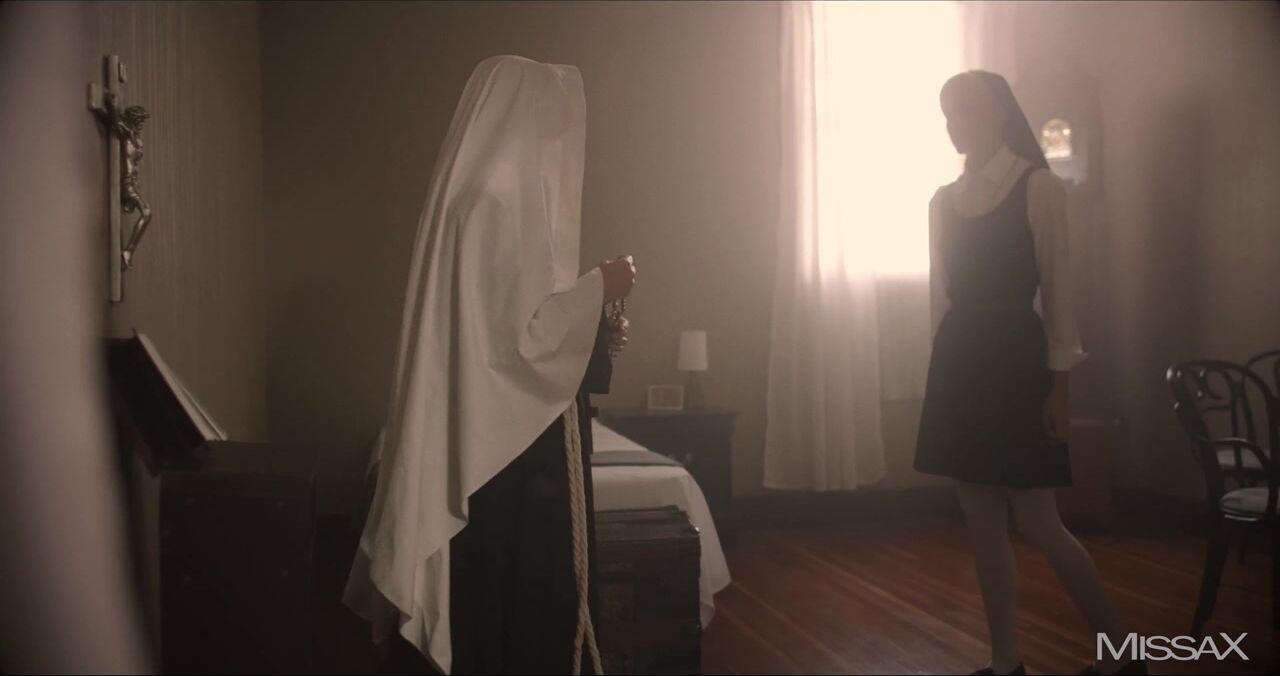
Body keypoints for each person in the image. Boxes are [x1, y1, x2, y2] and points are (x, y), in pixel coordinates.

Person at [343, 55, 635, 675]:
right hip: (511, 456)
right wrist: (601, 288)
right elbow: (515, 347)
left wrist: (591, 322)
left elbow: (506, 329)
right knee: (516, 594)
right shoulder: (496, 205)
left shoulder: (474, 199)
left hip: (498, 438)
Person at [913, 71, 1143, 676]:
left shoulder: (1038, 187)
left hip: (1016, 361)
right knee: (981, 526)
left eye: (966, 109)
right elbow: (941, 300)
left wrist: (1059, 391)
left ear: (999, 113)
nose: (955, 123)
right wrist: (941, 380)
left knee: (1040, 522)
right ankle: (1006, 663)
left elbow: (1059, 297)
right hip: (961, 364)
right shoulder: (942, 200)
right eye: (947, 112)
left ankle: (1123, 657)